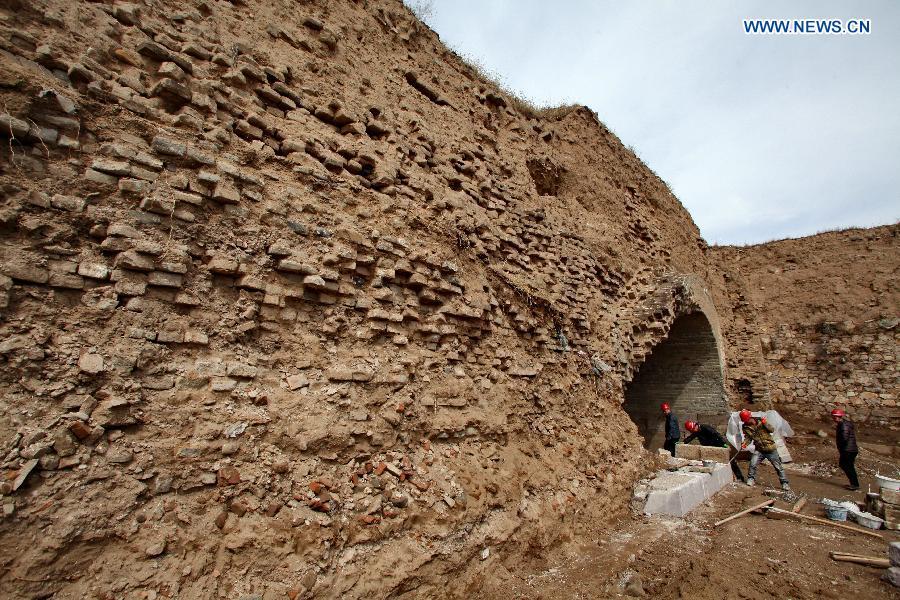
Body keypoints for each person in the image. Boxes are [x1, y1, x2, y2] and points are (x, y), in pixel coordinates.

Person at [739, 409, 790, 491]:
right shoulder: (745, 427)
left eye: (746, 420)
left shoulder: (761, 422)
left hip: (770, 448)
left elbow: (772, 430)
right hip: (759, 449)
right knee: (753, 464)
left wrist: (765, 423)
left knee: (778, 467)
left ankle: (784, 483)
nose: (746, 422)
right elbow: (748, 437)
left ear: (750, 417)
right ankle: (751, 479)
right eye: (744, 421)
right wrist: (745, 443)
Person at [832, 408, 859, 490]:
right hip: (850, 449)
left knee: (847, 466)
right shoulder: (845, 424)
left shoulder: (843, 425)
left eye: (835, 417)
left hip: (847, 450)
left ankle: (855, 484)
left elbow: (844, 438)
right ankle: (854, 483)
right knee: (847, 466)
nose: (834, 418)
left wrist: (841, 448)